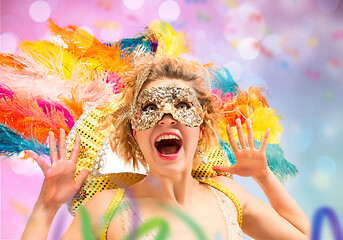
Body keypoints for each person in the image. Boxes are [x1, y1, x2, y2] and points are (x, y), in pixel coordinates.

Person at [20, 55, 311, 240]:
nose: (166, 117)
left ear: (201, 128)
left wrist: (264, 178)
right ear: (135, 132)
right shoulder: (106, 208)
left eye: (183, 106)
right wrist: (46, 208)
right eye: (149, 108)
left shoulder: (227, 194)